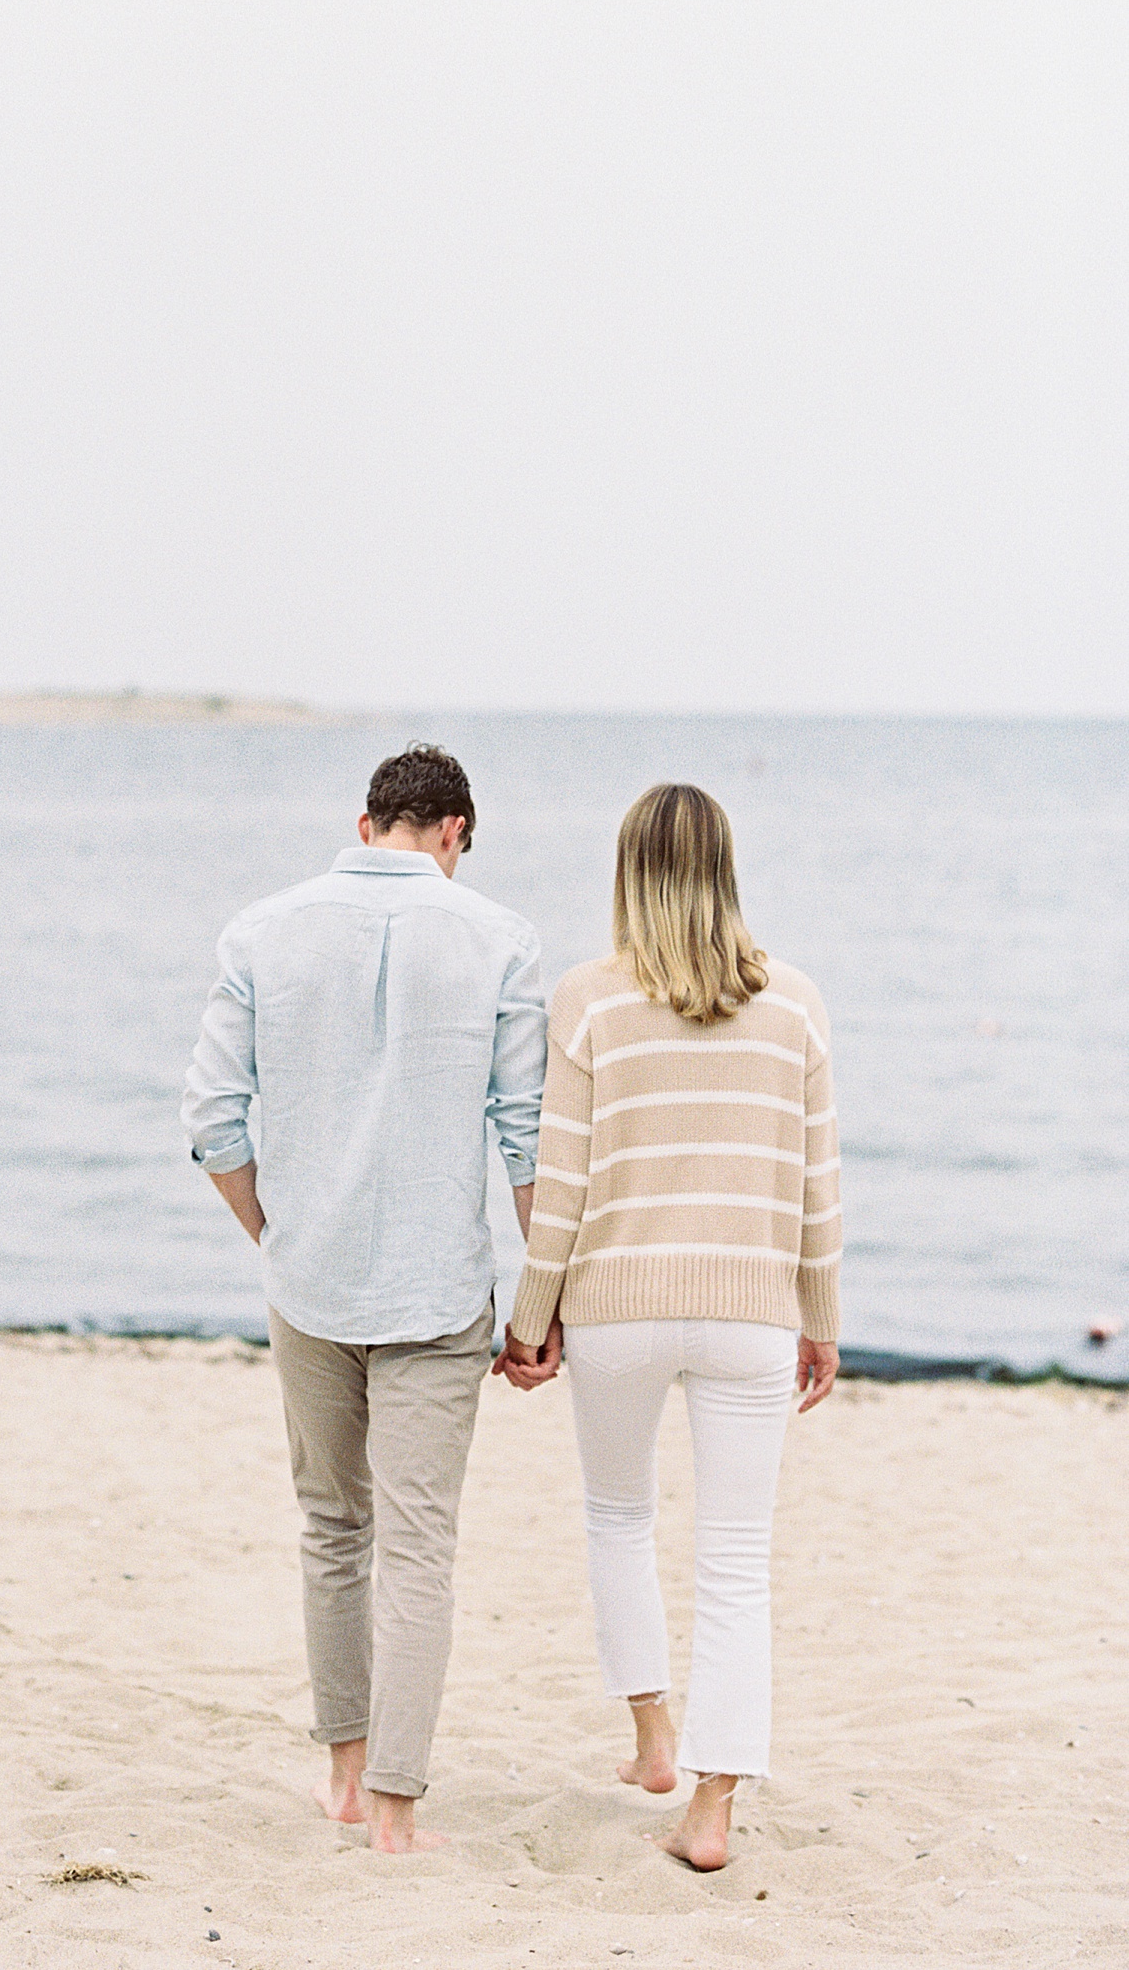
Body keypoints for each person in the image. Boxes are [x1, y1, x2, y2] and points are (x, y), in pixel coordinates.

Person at [182, 744, 555, 1852]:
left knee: (333, 1528)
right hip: (439, 1292)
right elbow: (527, 1132)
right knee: (420, 1546)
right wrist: (543, 1299)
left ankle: (343, 1775)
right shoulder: (501, 938)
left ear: (365, 820)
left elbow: (212, 1118)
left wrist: (275, 1232)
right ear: (455, 833)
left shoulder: (261, 929)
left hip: (311, 1281)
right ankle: (396, 1809)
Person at [498, 782, 841, 1872]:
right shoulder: (793, 1001)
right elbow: (816, 1188)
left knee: (617, 1517)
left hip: (615, 1308)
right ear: (727, 869)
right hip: (751, 1309)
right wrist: (820, 1318)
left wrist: (530, 1320)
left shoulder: (588, 999)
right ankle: (710, 1805)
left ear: (628, 873)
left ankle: (652, 1736)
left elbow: (562, 1184)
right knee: (737, 1561)